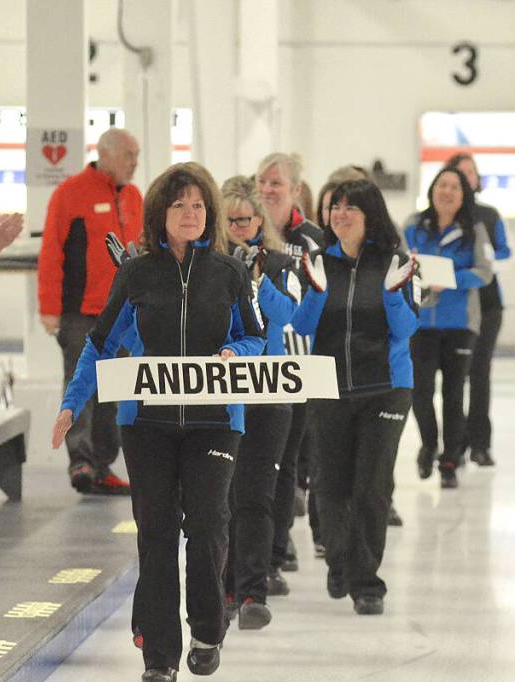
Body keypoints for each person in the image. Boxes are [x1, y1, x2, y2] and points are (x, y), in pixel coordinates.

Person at [50, 162, 264, 682]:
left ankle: (209, 629)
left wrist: (236, 351)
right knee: (157, 533)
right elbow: (98, 345)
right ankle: (159, 656)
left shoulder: (230, 273)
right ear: (160, 213)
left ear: (208, 213)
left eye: (197, 205)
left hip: (216, 422)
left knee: (210, 526)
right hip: (146, 423)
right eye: (178, 205)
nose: (189, 215)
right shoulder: (138, 273)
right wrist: (71, 404)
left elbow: (256, 337)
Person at [292, 179, 417, 615]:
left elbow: (405, 330)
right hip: (329, 386)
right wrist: (316, 291)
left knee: (372, 485)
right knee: (331, 484)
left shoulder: (395, 262)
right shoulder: (316, 262)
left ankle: (367, 583)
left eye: (351, 208)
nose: (339, 215)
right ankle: (340, 562)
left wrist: (392, 295)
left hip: (386, 387)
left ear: (370, 216)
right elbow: (303, 326)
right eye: (335, 207)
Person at [38, 127, 143, 495]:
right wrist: (50, 310)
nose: (135, 163)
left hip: (123, 316)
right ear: (108, 153)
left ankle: (102, 464)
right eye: (130, 155)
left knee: (115, 391)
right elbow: (51, 253)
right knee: (81, 388)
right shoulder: (70, 194)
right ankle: (80, 460)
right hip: (80, 314)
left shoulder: (133, 197)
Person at [219, 176, 300, 630]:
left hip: (269, 391)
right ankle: (225, 586)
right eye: (230, 221)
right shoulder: (206, 262)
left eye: (245, 220)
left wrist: (258, 278)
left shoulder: (281, 263)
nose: (238, 228)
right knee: (221, 498)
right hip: (223, 390)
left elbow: (289, 316)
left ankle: (253, 590)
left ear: (259, 222)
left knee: (255, 496)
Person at [255, 153, 323, 590]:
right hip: (247, 364)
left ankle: (277, 551)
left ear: (296, 189)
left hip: (297, 366)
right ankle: (261, 550)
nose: (268, 188)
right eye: (262, 180)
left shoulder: (313, 239)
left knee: (287, 463)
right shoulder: (243, 229)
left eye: (277, 182)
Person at [403, 167, 493, 488]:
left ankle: (451, 459)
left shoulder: (474, 230)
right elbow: (399, 265)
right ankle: (429, 443)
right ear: (432, 189)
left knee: (454, 394)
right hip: (420, 324)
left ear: (464, 194)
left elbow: (485, 272)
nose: (447, 192)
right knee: (420, 390)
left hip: (460, 324)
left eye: (455, 187)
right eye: (442, 185)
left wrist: (449, 279)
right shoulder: (414, 226)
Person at [444, 153, 512, 468]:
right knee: (454, 379)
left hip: (486, 304)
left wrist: (480, 266)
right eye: (458, 172)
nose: (464, 177)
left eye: (469, 172)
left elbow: (504, 252)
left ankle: (481, 443)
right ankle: (453, 445)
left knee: (479, 372)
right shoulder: (437, 216)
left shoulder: (488, 215)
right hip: (451, 308)